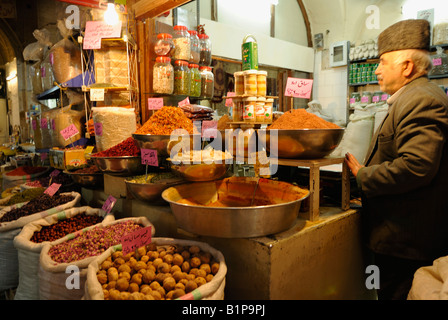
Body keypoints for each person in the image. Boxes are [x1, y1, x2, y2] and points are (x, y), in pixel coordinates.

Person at [345, 19, 448, 300]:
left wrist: (364, 175)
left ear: (406, 66)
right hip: (403, 238)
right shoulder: (410, 97)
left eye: (382, 62)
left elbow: (417, 166)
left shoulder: (421, 100)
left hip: (408, 242)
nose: (376, 70)